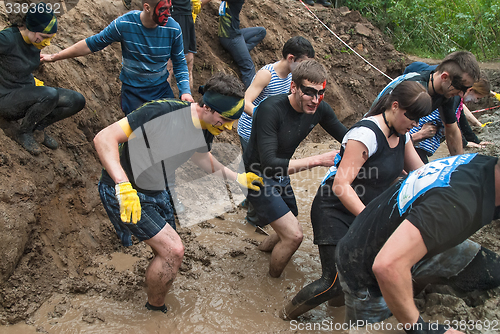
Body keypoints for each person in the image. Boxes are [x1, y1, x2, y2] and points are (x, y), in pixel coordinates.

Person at [94, 72, 263, 313]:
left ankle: (150, 266)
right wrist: (122, 185)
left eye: (233, 121)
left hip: (157, 189)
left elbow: (201, 156)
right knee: (173, 250)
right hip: (122, 189)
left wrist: (236, 177)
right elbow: (104, 138)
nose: (229, 127)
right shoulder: (161, 112)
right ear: (205, 106)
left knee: (165, 247)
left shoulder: (207, 127)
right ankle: (154, 311)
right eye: (225, 119)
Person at [283, 81, 432, 320]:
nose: (416, 125)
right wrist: (371, 221)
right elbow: (341, 185)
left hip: (364, 211)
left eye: (419, 120)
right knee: (333, 282)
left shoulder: (402, 136)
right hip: (334, 209)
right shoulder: (365, 136)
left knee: (351, 282)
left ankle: (335, 318)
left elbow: (422, 175)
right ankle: (282, 317)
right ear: (395, 106)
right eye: (412, 117)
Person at [336, 154, 500, 333]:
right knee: (375, 329)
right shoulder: (456, 202)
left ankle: (416, 286)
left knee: (492, 272)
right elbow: (386, 266)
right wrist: (421, 329)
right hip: (362, 262)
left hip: (405, 233)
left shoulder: (481, 163)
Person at [242, 59, 348, 278]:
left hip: (281, 174)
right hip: (256, 176)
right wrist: (318, 160)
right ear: (294, 87)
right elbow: (269, 163)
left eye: (321, 93)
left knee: (288, 224)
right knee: (294, 236)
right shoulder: (270, 110)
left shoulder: (319, 109)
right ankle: (271, 283)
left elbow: (348, 137)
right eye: (309, 92)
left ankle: (259, 251)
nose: (315, 100)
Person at [41, 0, 194, 116]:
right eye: (163, 9)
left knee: (169, 132)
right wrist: (55, 57)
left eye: (170, 9)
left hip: (161, 90)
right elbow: (91, 44)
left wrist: (185, 91)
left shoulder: (173, 28)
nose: (168, 13)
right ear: (147, 7)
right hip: (133, 92)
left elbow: (179, 62)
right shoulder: (125, 24)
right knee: (140, 136)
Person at [238, 35, 315, 226]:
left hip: (270, 133)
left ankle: (249, 200)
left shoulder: (293, 77)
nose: (305, 68)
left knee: (260, 172)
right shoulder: (267, 74)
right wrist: (264, 117)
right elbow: (245, 101)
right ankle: (253, 219)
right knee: (261, 176)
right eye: (303, 63)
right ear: (291, 59)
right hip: (251, 131)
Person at [0, 3, 86, 155]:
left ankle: (37, 128)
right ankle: (23, 132)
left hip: (26, 92)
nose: (48, 43)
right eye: (45, 37)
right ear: (32, 29)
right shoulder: (7, 39)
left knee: (76, 100)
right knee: (50, 94)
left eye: (51, 38)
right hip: (6, 99)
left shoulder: (35, 41)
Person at [373, 51, 480, 161]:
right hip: (377, 138)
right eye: (461, 87)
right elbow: (386, 130)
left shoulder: (445, 92)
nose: (462, 94)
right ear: (444, 77)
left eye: (466, 89)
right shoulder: (414, 88)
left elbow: (452, 130)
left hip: (400, 138)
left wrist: (458, 165)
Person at [410, 73, 493, 162]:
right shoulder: (454, 98)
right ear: (470, 90)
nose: (476, 102)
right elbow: (452, 126)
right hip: (418, 142)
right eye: (478, 98)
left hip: (420, 144)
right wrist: (464, 143)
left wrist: (475, 141)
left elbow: (461, 120)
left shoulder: (458, 101)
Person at [218, 0, 266, 88]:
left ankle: (240, 53)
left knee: (261, 31)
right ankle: (249, 98)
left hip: (236, 33)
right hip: (230, 37)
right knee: (249, 67)